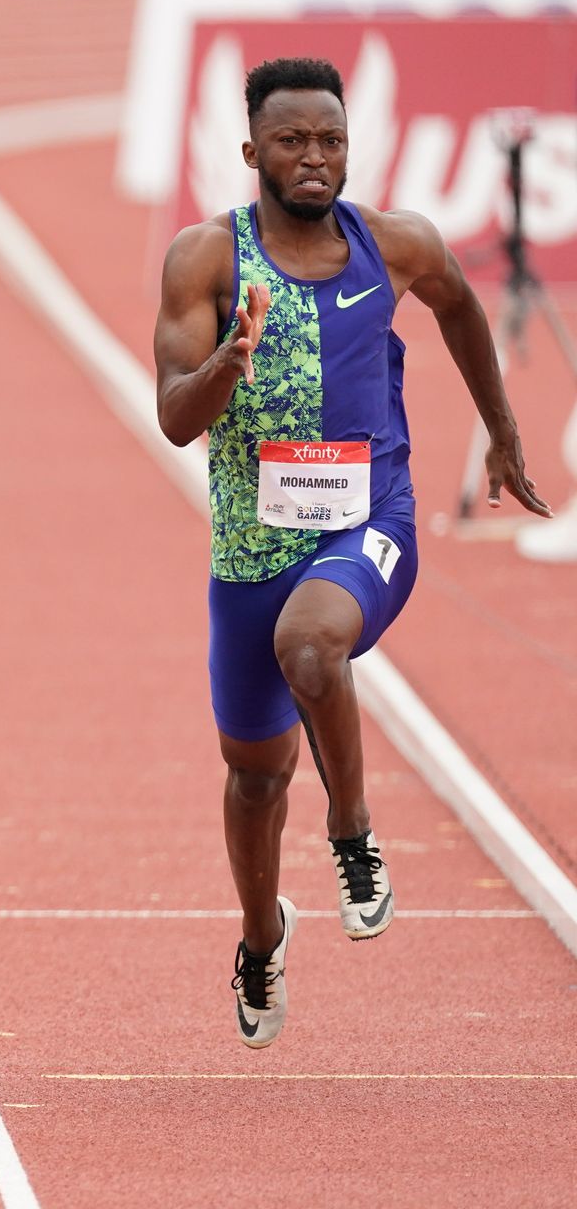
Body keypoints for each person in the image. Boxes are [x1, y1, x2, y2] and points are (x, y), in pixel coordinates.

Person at [152, 57, 552, 1048]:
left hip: (368, 521)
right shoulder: (205, 261)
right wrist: (222, 366)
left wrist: (500, 430)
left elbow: (460, 304)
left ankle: (354, 832)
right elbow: (171, 417)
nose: (316, 158)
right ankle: (259, 936)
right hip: (251, 549)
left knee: (313, 646)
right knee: (254, 777)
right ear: (251, 152)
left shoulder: (397, 244)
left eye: (331, 139)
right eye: (292, 140)